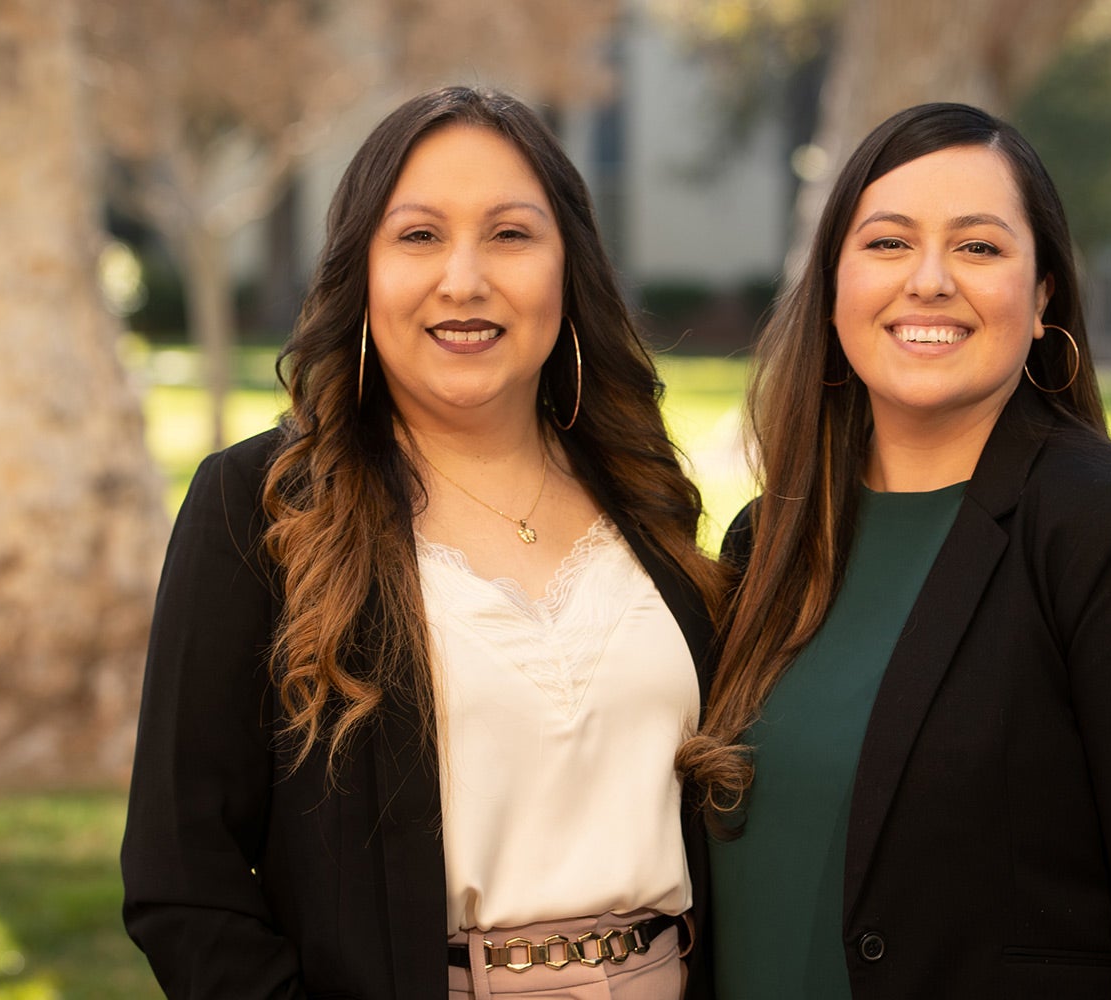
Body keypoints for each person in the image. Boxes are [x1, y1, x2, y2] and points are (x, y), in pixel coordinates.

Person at [122, 86, 724, 1000]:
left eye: (511, 234)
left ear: (569, 267)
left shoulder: (645, 497)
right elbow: (181, 878)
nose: (464, 279)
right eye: (419, 236)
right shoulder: (261, 508)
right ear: (360, 271)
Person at [678, 103, 1111, 999]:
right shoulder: (769, 541)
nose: (929, 281)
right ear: (832, 287)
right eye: (888, 243)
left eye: (979, 247)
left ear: (1042, 299)